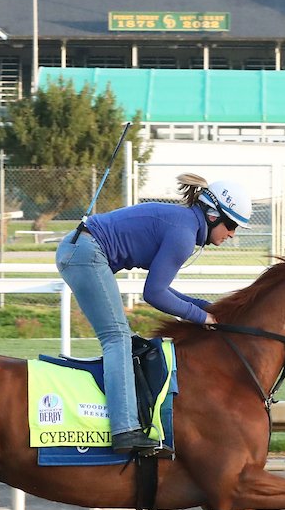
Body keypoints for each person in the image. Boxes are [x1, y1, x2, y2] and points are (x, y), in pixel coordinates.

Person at [55, 173, 252, 454]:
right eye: (231, 225)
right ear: (212, 215)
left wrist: (202, 306)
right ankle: (124, 431)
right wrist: (200, 316)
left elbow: (162, 289)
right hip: (84, 252)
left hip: (81, 248)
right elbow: (155, 294)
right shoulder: (183, 235)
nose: (232, 234)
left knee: (120, 337)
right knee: (118, 339)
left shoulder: (184, 225)